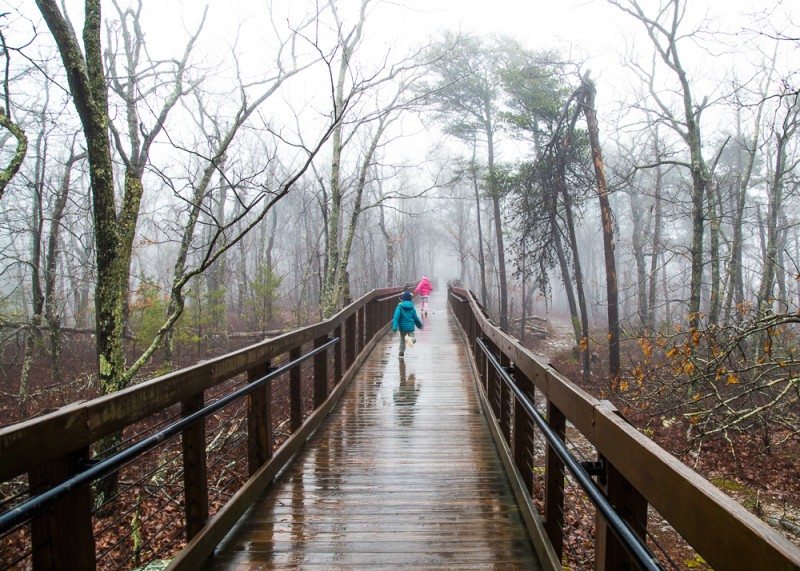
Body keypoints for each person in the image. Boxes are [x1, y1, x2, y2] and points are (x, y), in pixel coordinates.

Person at [392, 290, 423, 357]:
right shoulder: (412, 307)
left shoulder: (399, 307)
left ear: (403, 299)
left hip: (402, 327)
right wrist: (419, 325)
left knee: (402, 339)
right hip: (410, 327)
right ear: (410, 299)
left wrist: (394, 327)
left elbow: (396, 317)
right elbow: (415, 318)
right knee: (412, 340)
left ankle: (401, 352)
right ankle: (410, 339)